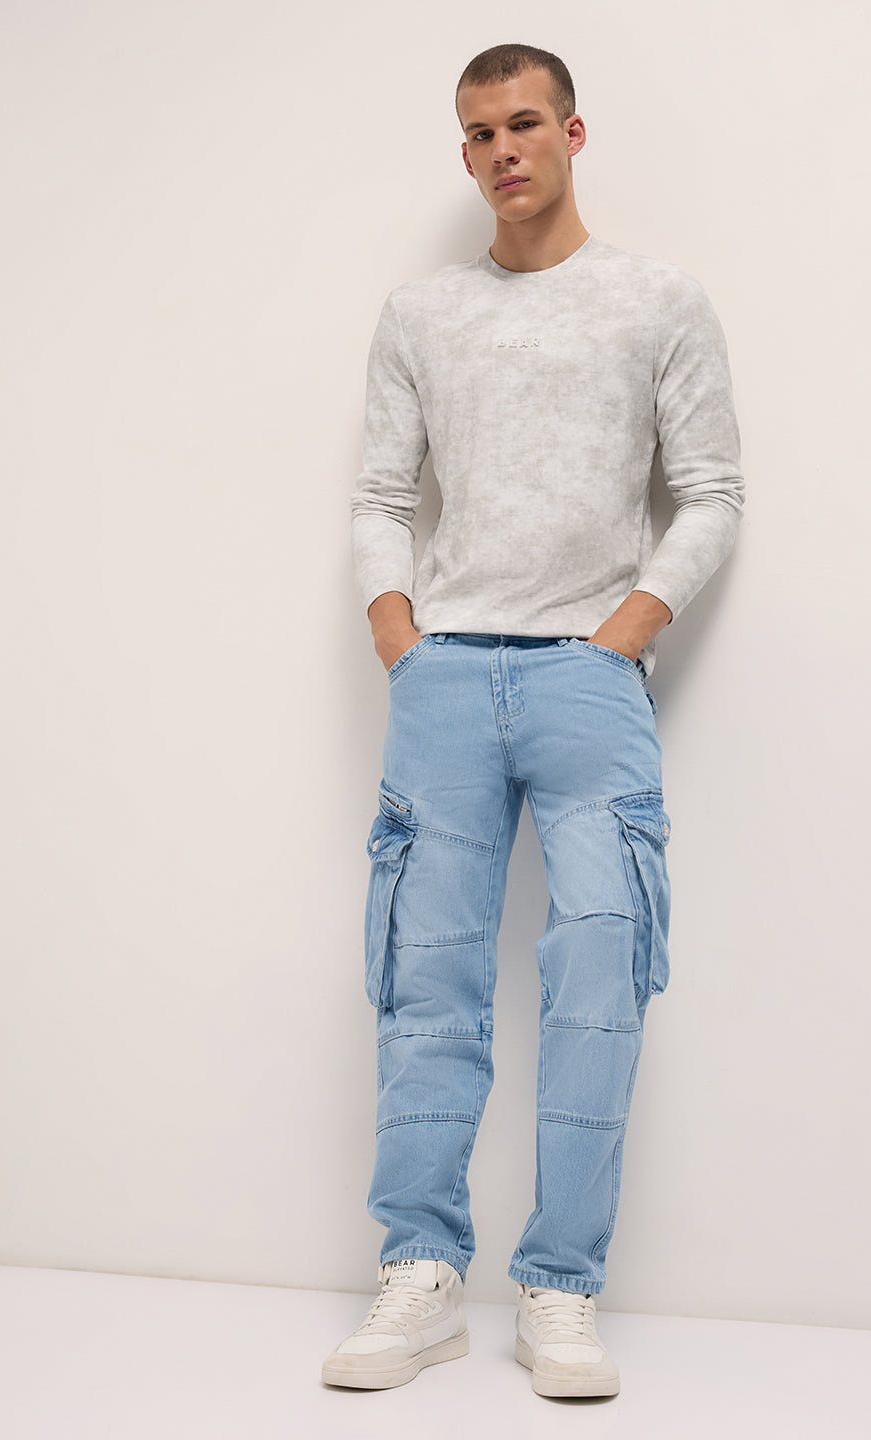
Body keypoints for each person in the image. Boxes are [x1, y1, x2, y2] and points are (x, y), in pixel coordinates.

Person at [321, 42, 743, 1399]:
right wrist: (400, 635)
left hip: (588, 681)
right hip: (444, 675)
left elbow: (713, 491)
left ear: (571, 132)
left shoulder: (657, 301)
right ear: (465, 154)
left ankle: (561, 1287)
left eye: (522, 124)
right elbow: (382, 495)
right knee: (426, 980)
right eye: (478, 133)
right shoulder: (423, 312)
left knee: (600, 974)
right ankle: (422, 1274)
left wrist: (625, 634)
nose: (502, 150)